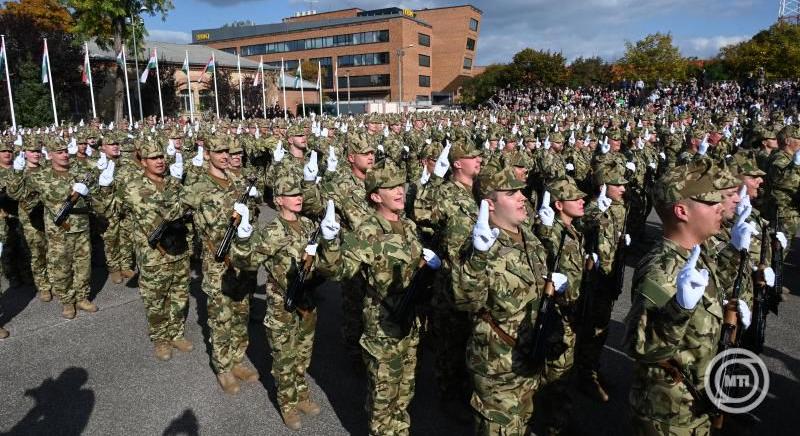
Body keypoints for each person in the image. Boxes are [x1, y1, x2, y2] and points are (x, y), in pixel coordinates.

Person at [624, 160, 753, 435]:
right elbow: (640, 347)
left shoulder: (696, 252)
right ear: (681, 211)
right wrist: (679, 309)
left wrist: (733, 253)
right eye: (710, 202)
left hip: (697, 399)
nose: (721, 206)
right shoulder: (661, 270)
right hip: (669, 412)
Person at [316, 164, 441, 436]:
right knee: (383, 399)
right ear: (375, 196)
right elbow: (338, 271)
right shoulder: (366, 231)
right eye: (390, 187)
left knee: (404, 393)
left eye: (400, 185)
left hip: (411, 323)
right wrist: (330, 244)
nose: (399, 191)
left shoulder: (407, 225)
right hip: (384, 326)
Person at [454, 167, 567, 435]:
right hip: (498, 366)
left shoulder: (527, 236)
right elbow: (467, 301)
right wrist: (478, 257)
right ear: (489, 204)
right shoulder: (480, 246)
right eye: (511, 193)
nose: (523, 198)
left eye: (522, 191)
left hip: (529, 355)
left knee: (523, 422)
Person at [231, 176, 323, 430]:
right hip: (282, 306)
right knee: (284, 358)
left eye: (299, 194)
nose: (298, 197)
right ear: (279, 200)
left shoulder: (307, 225)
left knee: (303, 355)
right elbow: (245, 262)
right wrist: (242, 239)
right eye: (292, 194)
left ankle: (301, 394)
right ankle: (287, 404)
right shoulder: (272, 230)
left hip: (307, 303)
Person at [95, 140, 193, 361]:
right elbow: (108, 210)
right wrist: (105, 187)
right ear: (143, 161)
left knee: (179, 295)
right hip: (152, 254)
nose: (159, 161)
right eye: (153, 158)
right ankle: (160, 339)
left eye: (161, 157)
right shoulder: (131, 186)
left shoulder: (173, 182)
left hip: (178, 248)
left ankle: (176, 333)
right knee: (155, 299)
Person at [181, 135, 260, 394]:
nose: (226, 156)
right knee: (220, 315)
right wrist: (174, 182)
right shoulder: (198, 184)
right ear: (208, 154)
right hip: (217, 259)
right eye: (219, 151)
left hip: (242, 259)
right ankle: (223, 367)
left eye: (228, 151)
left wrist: (252, 211)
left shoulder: (238, 180)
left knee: (241, 311)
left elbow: (253, 213)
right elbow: (174, 212)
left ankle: (237, 358)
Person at [575, 160, 629, 402]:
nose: (623, 188)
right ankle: (584, 375)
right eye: (618, 184)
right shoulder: (592, 208)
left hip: (609, 278)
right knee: (590, 329)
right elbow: (581, 223)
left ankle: (593, 368)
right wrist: (597, 210)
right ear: (605, 186)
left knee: (602, 328)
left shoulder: (618, 207)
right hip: (593, 281)